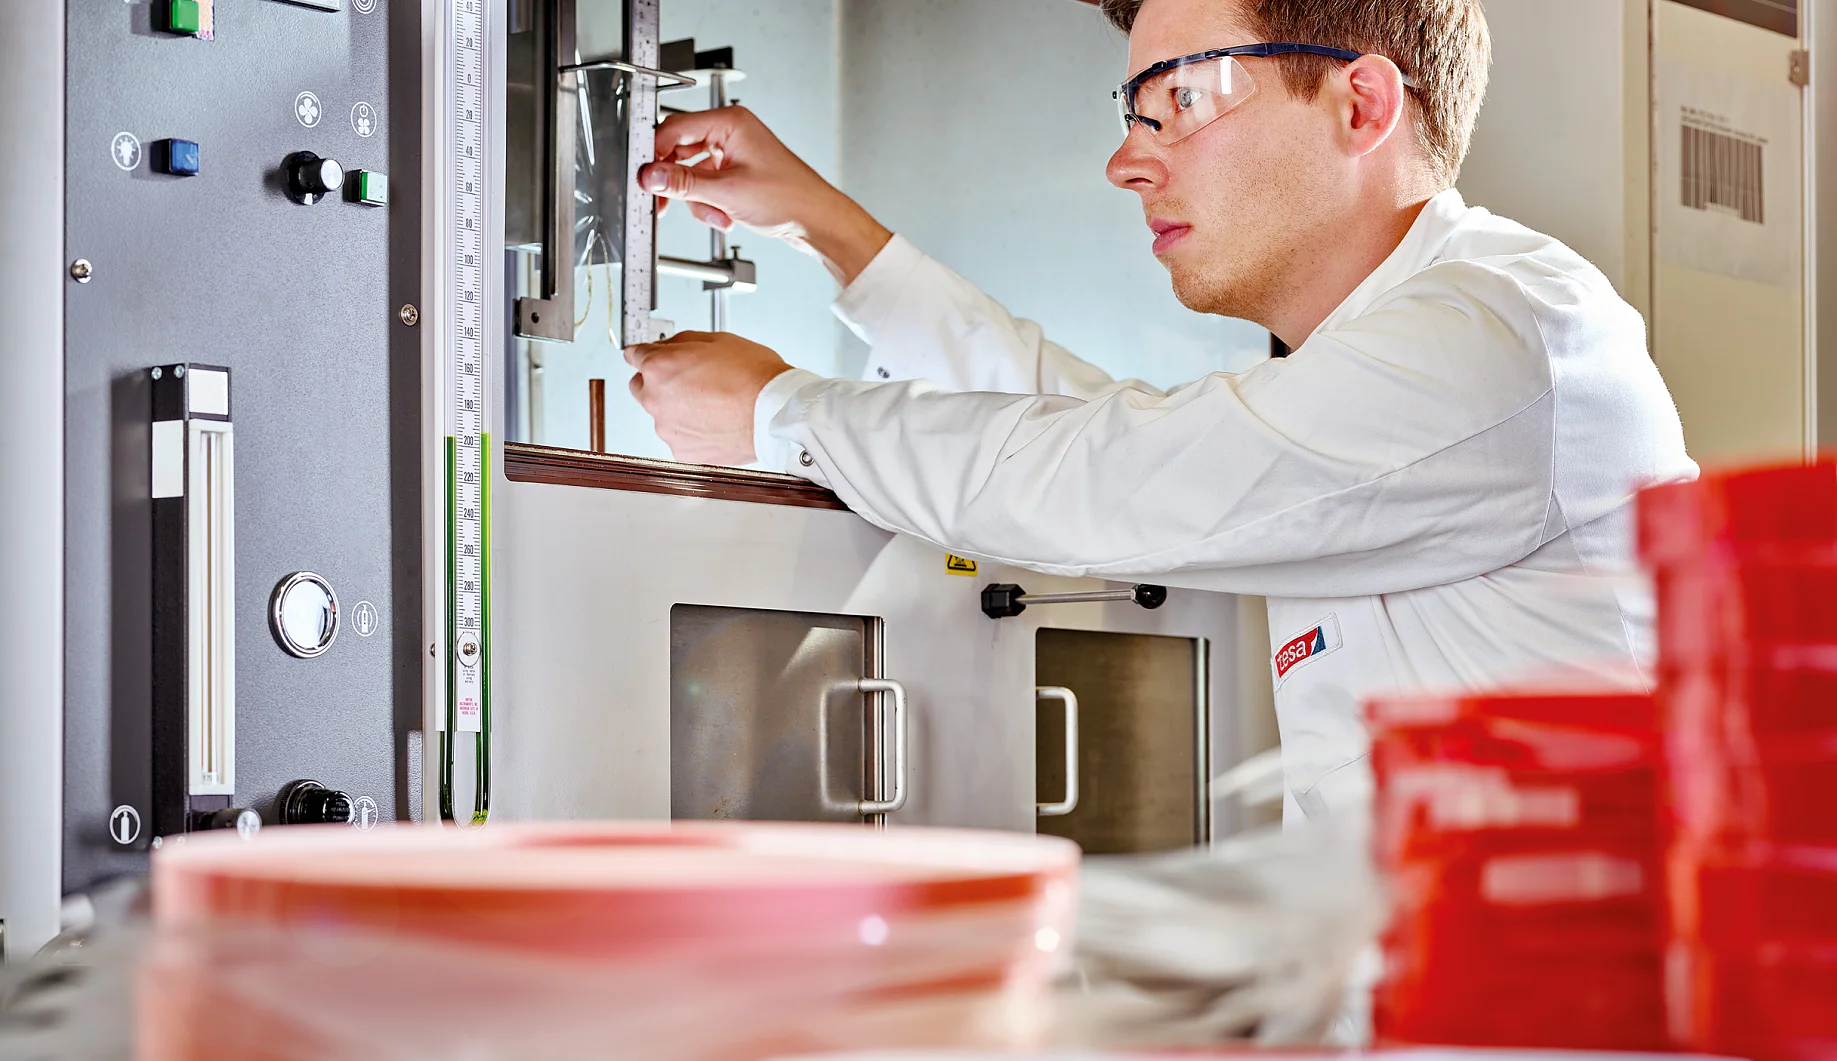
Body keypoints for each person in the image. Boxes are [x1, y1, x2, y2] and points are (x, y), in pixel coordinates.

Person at [624, 0, 1697, 821]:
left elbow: (1115, 479)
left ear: (1361, 106)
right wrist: (827, 228)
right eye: (1132, 111)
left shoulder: (1498, 330)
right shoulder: (1383, 364)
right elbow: (1120, 435)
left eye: (1179, 99)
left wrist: (777, 413)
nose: (1126, 160)